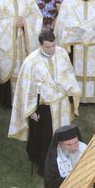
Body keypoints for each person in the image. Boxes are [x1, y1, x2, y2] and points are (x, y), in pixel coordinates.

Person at [9, 29, 80, 173]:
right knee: (46, 137)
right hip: (45, 107)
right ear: (41, 45)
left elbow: (69, 75)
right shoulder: (31, 62)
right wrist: (31, 110)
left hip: (62, 103)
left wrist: (71, 98)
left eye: (53, 45)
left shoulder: (62, 53)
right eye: (48, 46)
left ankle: (66, 158)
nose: (52, 49)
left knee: (64, 131)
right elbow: (26, 88)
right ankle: (46, 165)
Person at [0, 0, 42, 106]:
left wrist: (25, 23)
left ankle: (26, 98)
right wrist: (12, 24)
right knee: (9, 70)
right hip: (7, 44)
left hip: (25, 42)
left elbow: (36, 16)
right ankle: (8, 100)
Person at [43, 124, 87, 188]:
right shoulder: (54, 160)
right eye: (68, 145)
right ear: (61, 144)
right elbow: (52, 183)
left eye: (76, 143)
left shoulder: (84, 149)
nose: (73, 148)